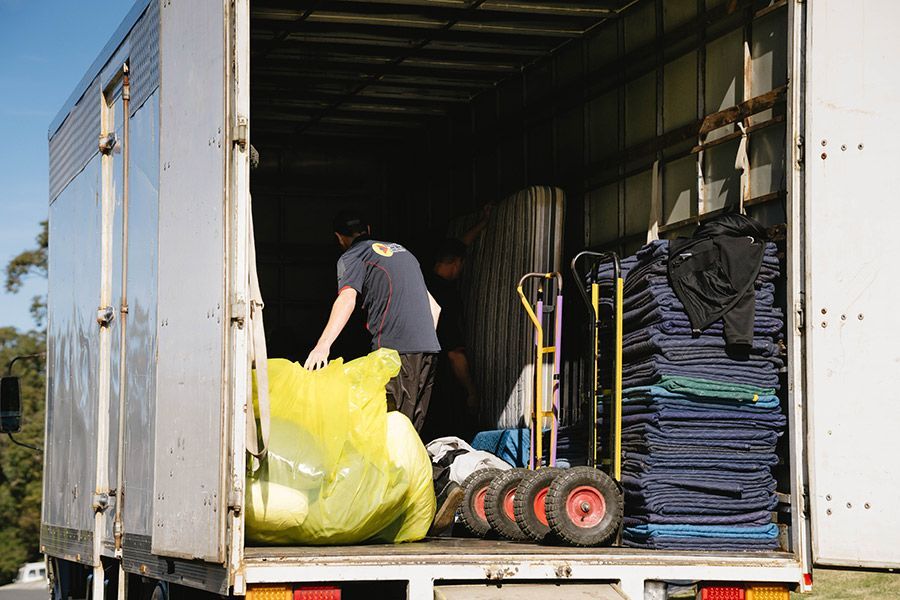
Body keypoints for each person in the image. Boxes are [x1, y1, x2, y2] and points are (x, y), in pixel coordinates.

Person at [304, 211, 441, 433]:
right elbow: (435, 307)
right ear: (368, 229)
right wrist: (420, 342)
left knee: (389, 427)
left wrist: (322, 346)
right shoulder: (403, 252)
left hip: (395, 353)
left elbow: (347, 298)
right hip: (429, 350)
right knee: (410, 431)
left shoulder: (354, 255)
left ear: (339, 237)